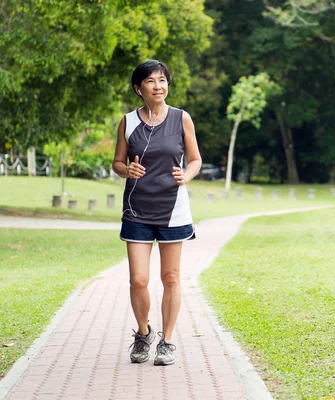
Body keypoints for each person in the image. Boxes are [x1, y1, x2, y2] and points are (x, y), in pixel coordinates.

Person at [112, 60, 202, 366]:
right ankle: (143, 333)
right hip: (137, 209)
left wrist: (187, 176)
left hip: (173, 209)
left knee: (171, 277)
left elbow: (195, 160)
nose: (158, 86)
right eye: (151, 81)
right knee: (138, 279)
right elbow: (117, 163)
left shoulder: (181, 118)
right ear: (139, 89)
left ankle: (167, 341)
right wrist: (127, 170)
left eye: (162, 80)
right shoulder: (128, 121)